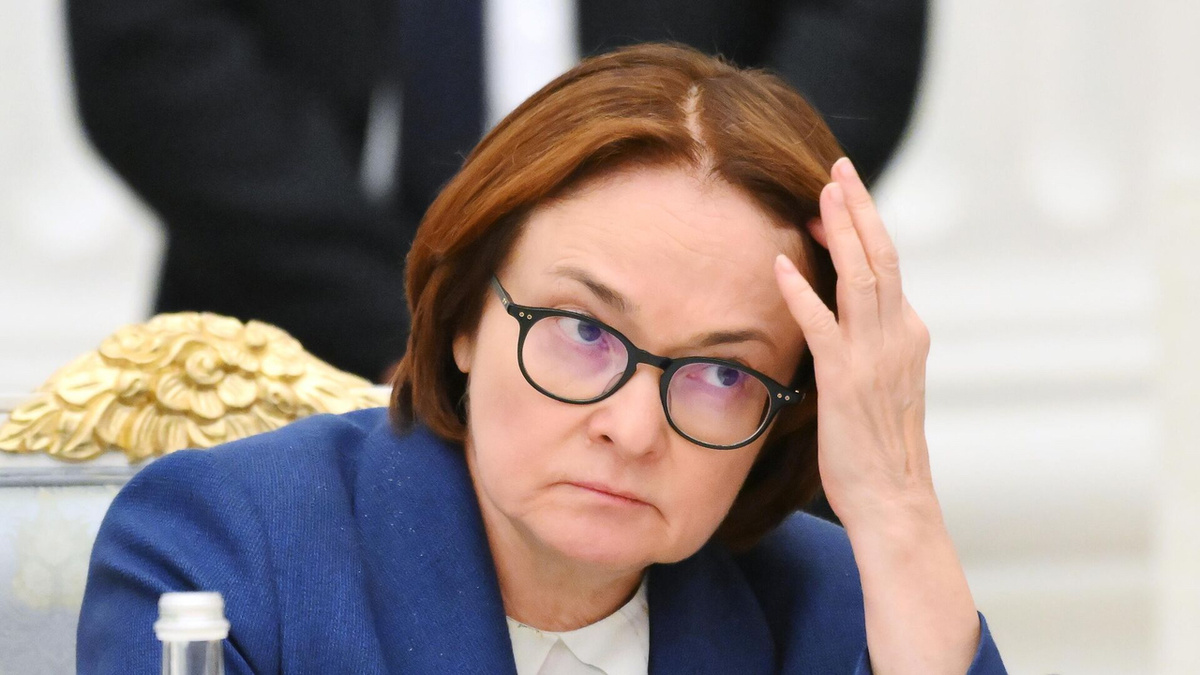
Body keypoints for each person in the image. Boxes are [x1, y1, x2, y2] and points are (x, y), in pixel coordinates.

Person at [77, 44, 1006, 674]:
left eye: (722, 373)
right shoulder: (222, 549)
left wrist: (897, 506)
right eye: (585, 331)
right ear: (465, 317)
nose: (632, 429)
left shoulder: (837, 604)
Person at [66, 0, 929, 382]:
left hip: (688, 362)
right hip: (281, 339)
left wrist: (686, 271)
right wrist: (409, 324)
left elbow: (856, 31)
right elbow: (145, 44)